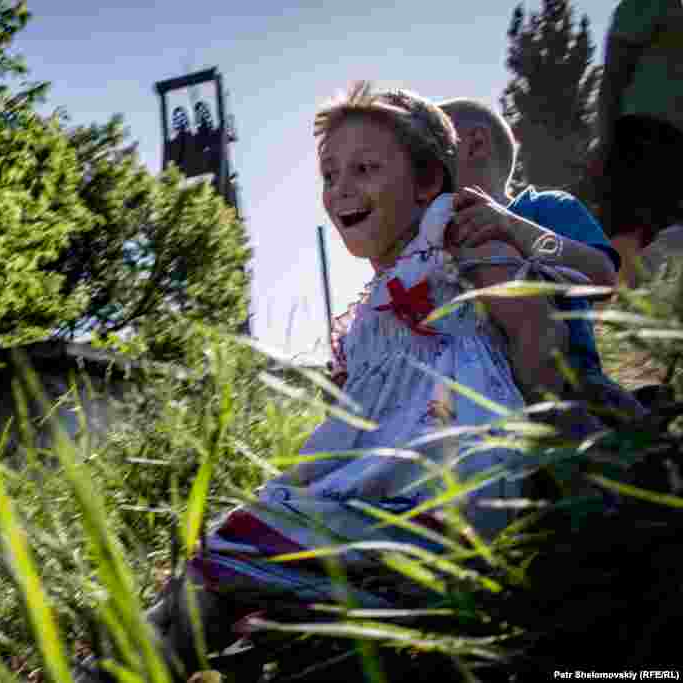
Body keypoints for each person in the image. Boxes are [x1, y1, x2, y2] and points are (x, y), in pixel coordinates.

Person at [81, 82, 571, 683]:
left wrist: (562, 443)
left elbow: (533, 328)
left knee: (226, 557)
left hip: (447, 488)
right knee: (229, 555)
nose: (341, 189)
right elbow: (356, 423)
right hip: (379, 483)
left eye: (365, 168)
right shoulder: (369, 311)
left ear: (426, 184)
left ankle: (120, 669)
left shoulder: (453, 243)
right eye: (330, 174)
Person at [438, 98, 646, 427]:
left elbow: (602, 277)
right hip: (477, 396)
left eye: (432, 151)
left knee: (634, 453)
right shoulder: (439, 236)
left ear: (475, 145)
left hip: (572, 385)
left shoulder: (546, 208)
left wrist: (512, 226)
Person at [592, 0, 683, 288]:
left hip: (676, 140)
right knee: (629, 236)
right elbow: (613, 77)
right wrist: (604, 145)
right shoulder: (646, 5)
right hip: (642, 135)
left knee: (670, 237)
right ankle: (617, 316)